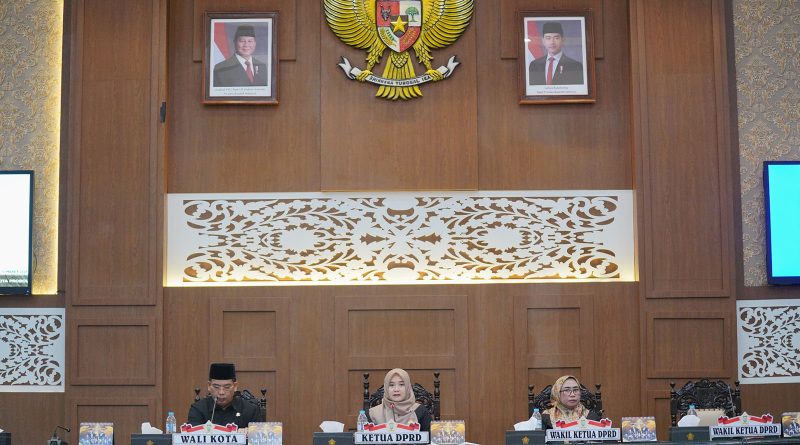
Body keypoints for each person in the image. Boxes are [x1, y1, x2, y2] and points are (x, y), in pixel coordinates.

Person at [187, 363, 262, 428]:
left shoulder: (250, 410)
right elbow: (192, 434)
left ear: (235, 386)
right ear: (209, 386)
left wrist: (248, 433)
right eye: (216, 387)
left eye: (227, 387)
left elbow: (259, 436)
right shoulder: (198, 409)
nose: (221, 392)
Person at [366, 368, 432, 432]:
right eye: (391, 385)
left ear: (408, 387)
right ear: (386, 388)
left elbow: (429, 438)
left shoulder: (420, 411)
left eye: (401, 384)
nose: (396, 389)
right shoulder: (373, 414)